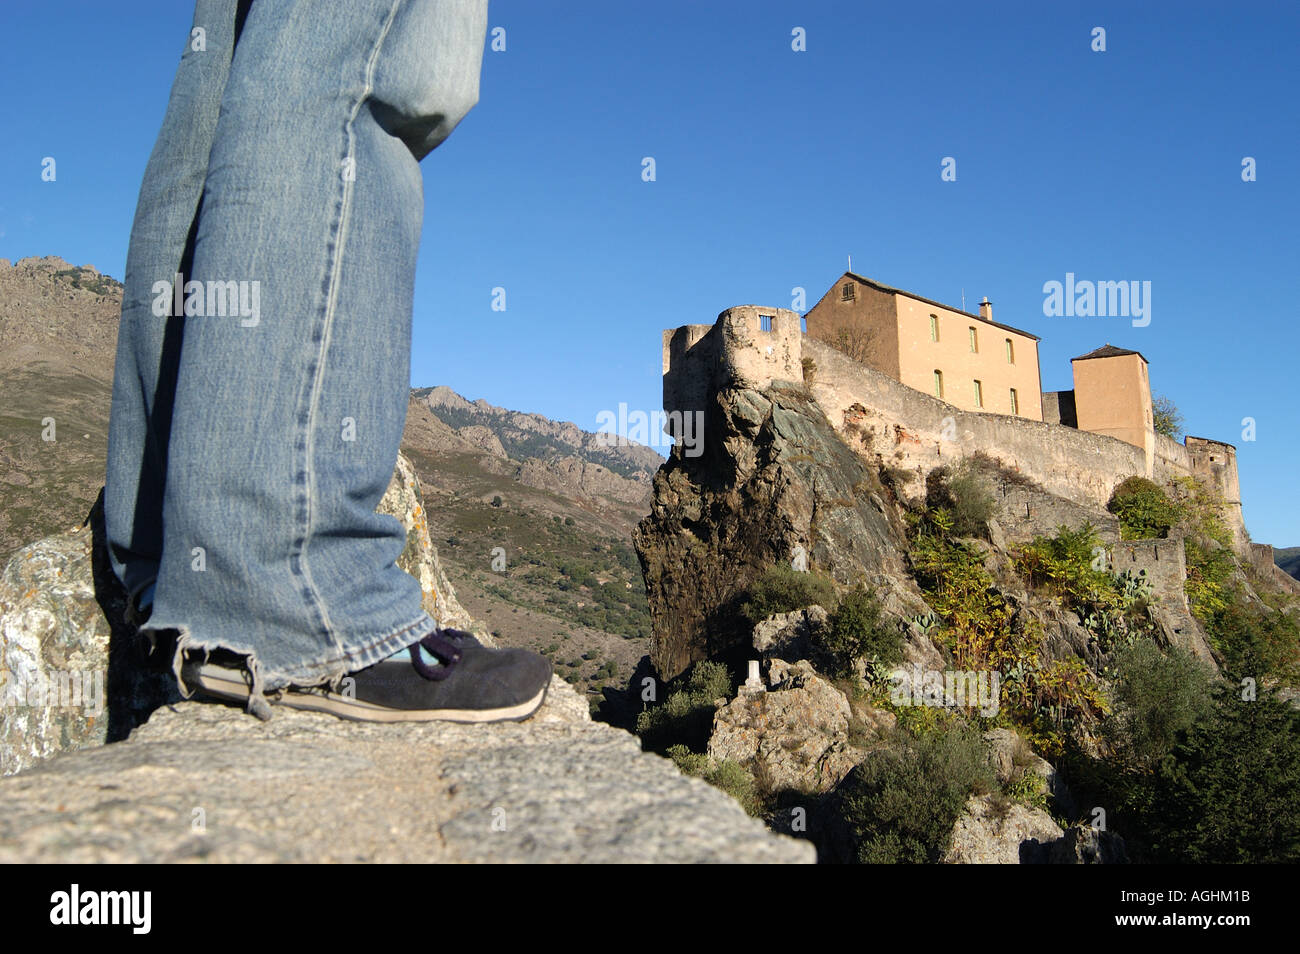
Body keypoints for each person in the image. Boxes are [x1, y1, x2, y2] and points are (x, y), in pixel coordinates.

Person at [104, 0, 551, 723]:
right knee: (364, 60)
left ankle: (178, 572)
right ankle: (285, 595)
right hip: (287, 594)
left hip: (172, 570)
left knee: (222, 79)